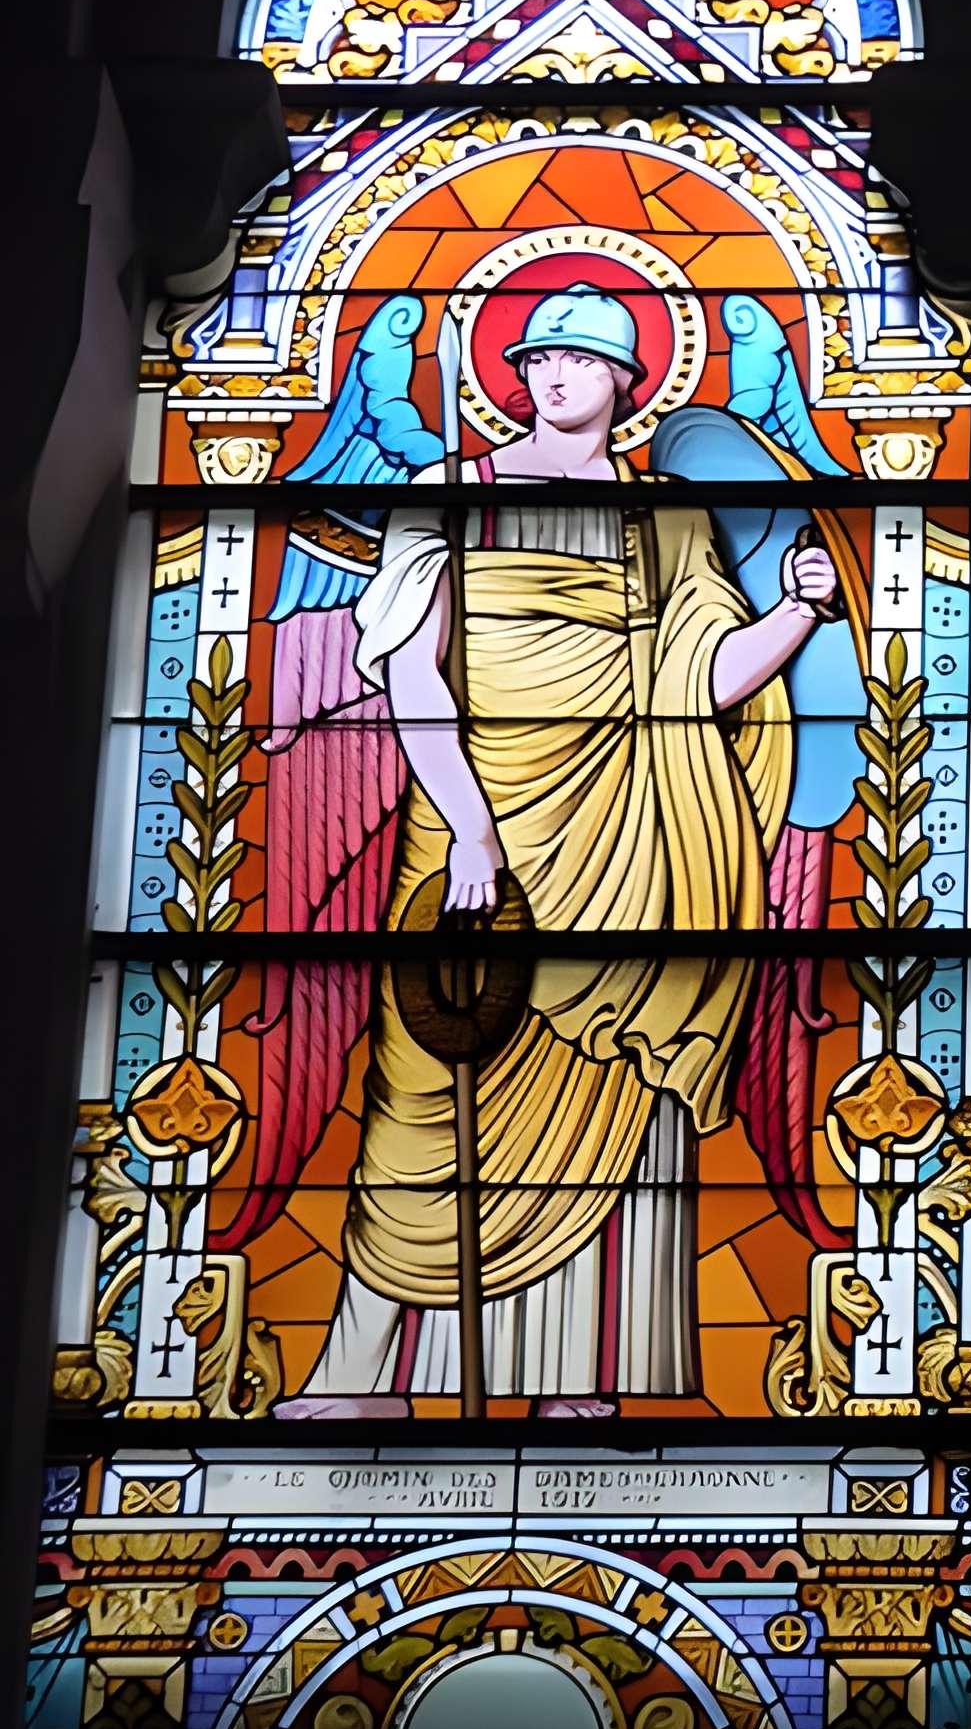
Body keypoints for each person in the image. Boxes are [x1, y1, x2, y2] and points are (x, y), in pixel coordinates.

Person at [286, 289, 837, 1414]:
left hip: (629, 823)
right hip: (473, 817)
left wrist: (793, 615)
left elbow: (701, 683)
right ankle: (361, 1374)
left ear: (626, 382)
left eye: (582, 360)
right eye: (539, 357)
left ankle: (576, 1372)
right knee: (425, 1082)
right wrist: (474, 823)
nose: (554, 377)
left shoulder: (666, 517)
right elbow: (410, 670)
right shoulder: (454, 492)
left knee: (606, 1092)